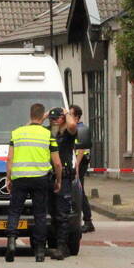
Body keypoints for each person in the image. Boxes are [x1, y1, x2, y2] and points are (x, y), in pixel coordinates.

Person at [5, 103, 61, 263]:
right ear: (43, 116)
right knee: (40, 215)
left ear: (30, 115)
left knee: (15, 211)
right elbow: (57, 163)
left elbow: (9, 158)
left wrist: (9, 177)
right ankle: (40, 251)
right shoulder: (47, 134)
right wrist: (58, 180)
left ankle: (10, 243)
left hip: (20, 178)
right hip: (41, 179)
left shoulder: (17, 133)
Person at [48, 107, 79, 260]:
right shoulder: (48, 133)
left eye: (56, 118)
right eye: (52, 119)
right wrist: (45, 115)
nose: (54, 121)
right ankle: (54, 245)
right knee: (52, 213)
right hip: (49, 176)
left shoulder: (68, 134)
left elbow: (73, 125)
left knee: (62, 213)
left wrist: (67, 113)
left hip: (64, 177)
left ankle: (62, 247)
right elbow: (30, 128)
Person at [71, 105, 94, 233]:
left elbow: (80, 149)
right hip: (77, 163)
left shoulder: (80, 129)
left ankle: (88, 220)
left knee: (79, 191)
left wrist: (77, 166)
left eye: (71, 114)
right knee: (79, 191)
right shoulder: (75, 128)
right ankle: (86, 220)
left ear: (77, 117)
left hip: (80, 163)